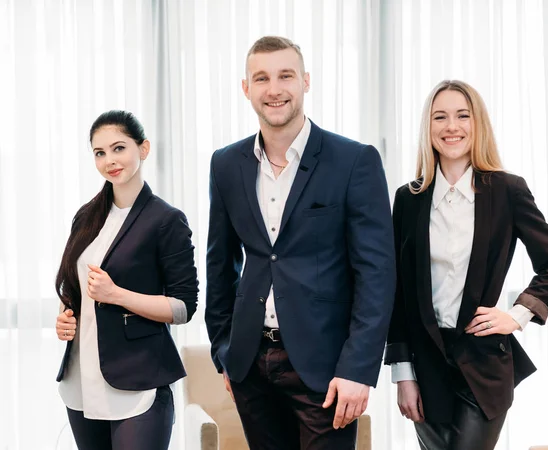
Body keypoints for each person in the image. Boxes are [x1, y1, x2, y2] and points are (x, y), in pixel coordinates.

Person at [205, 36, 396, 450]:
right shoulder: (225, 164)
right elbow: (220, 263)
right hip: (250, 364)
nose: (274, 89)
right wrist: (224, 350)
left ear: (306, 82)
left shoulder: (353, 161)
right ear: (246, 88)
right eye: (262, 78)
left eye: (285, 76)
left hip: (327, 370)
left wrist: (359, 369)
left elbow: (376, 274)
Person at [384, 80, 548, 450]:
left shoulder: (507, 191)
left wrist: (516, 315)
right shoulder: (408, 199)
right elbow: (398, 295)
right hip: (426, 369)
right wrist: (402, 373)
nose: (451, 126)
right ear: (428, 127)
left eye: (462, 116)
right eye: (440, 117)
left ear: (477, 124)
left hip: (484, 366)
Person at [54, 110, 199, 450]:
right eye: (99, 153)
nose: (110, 160)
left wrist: (117, 294)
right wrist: (65, 315)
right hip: (81, 377)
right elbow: (73, 284)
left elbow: (182, 307)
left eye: (119, 148)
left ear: (143, 149)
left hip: (139, 380)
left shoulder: (166, 220)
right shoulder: (86, 216)